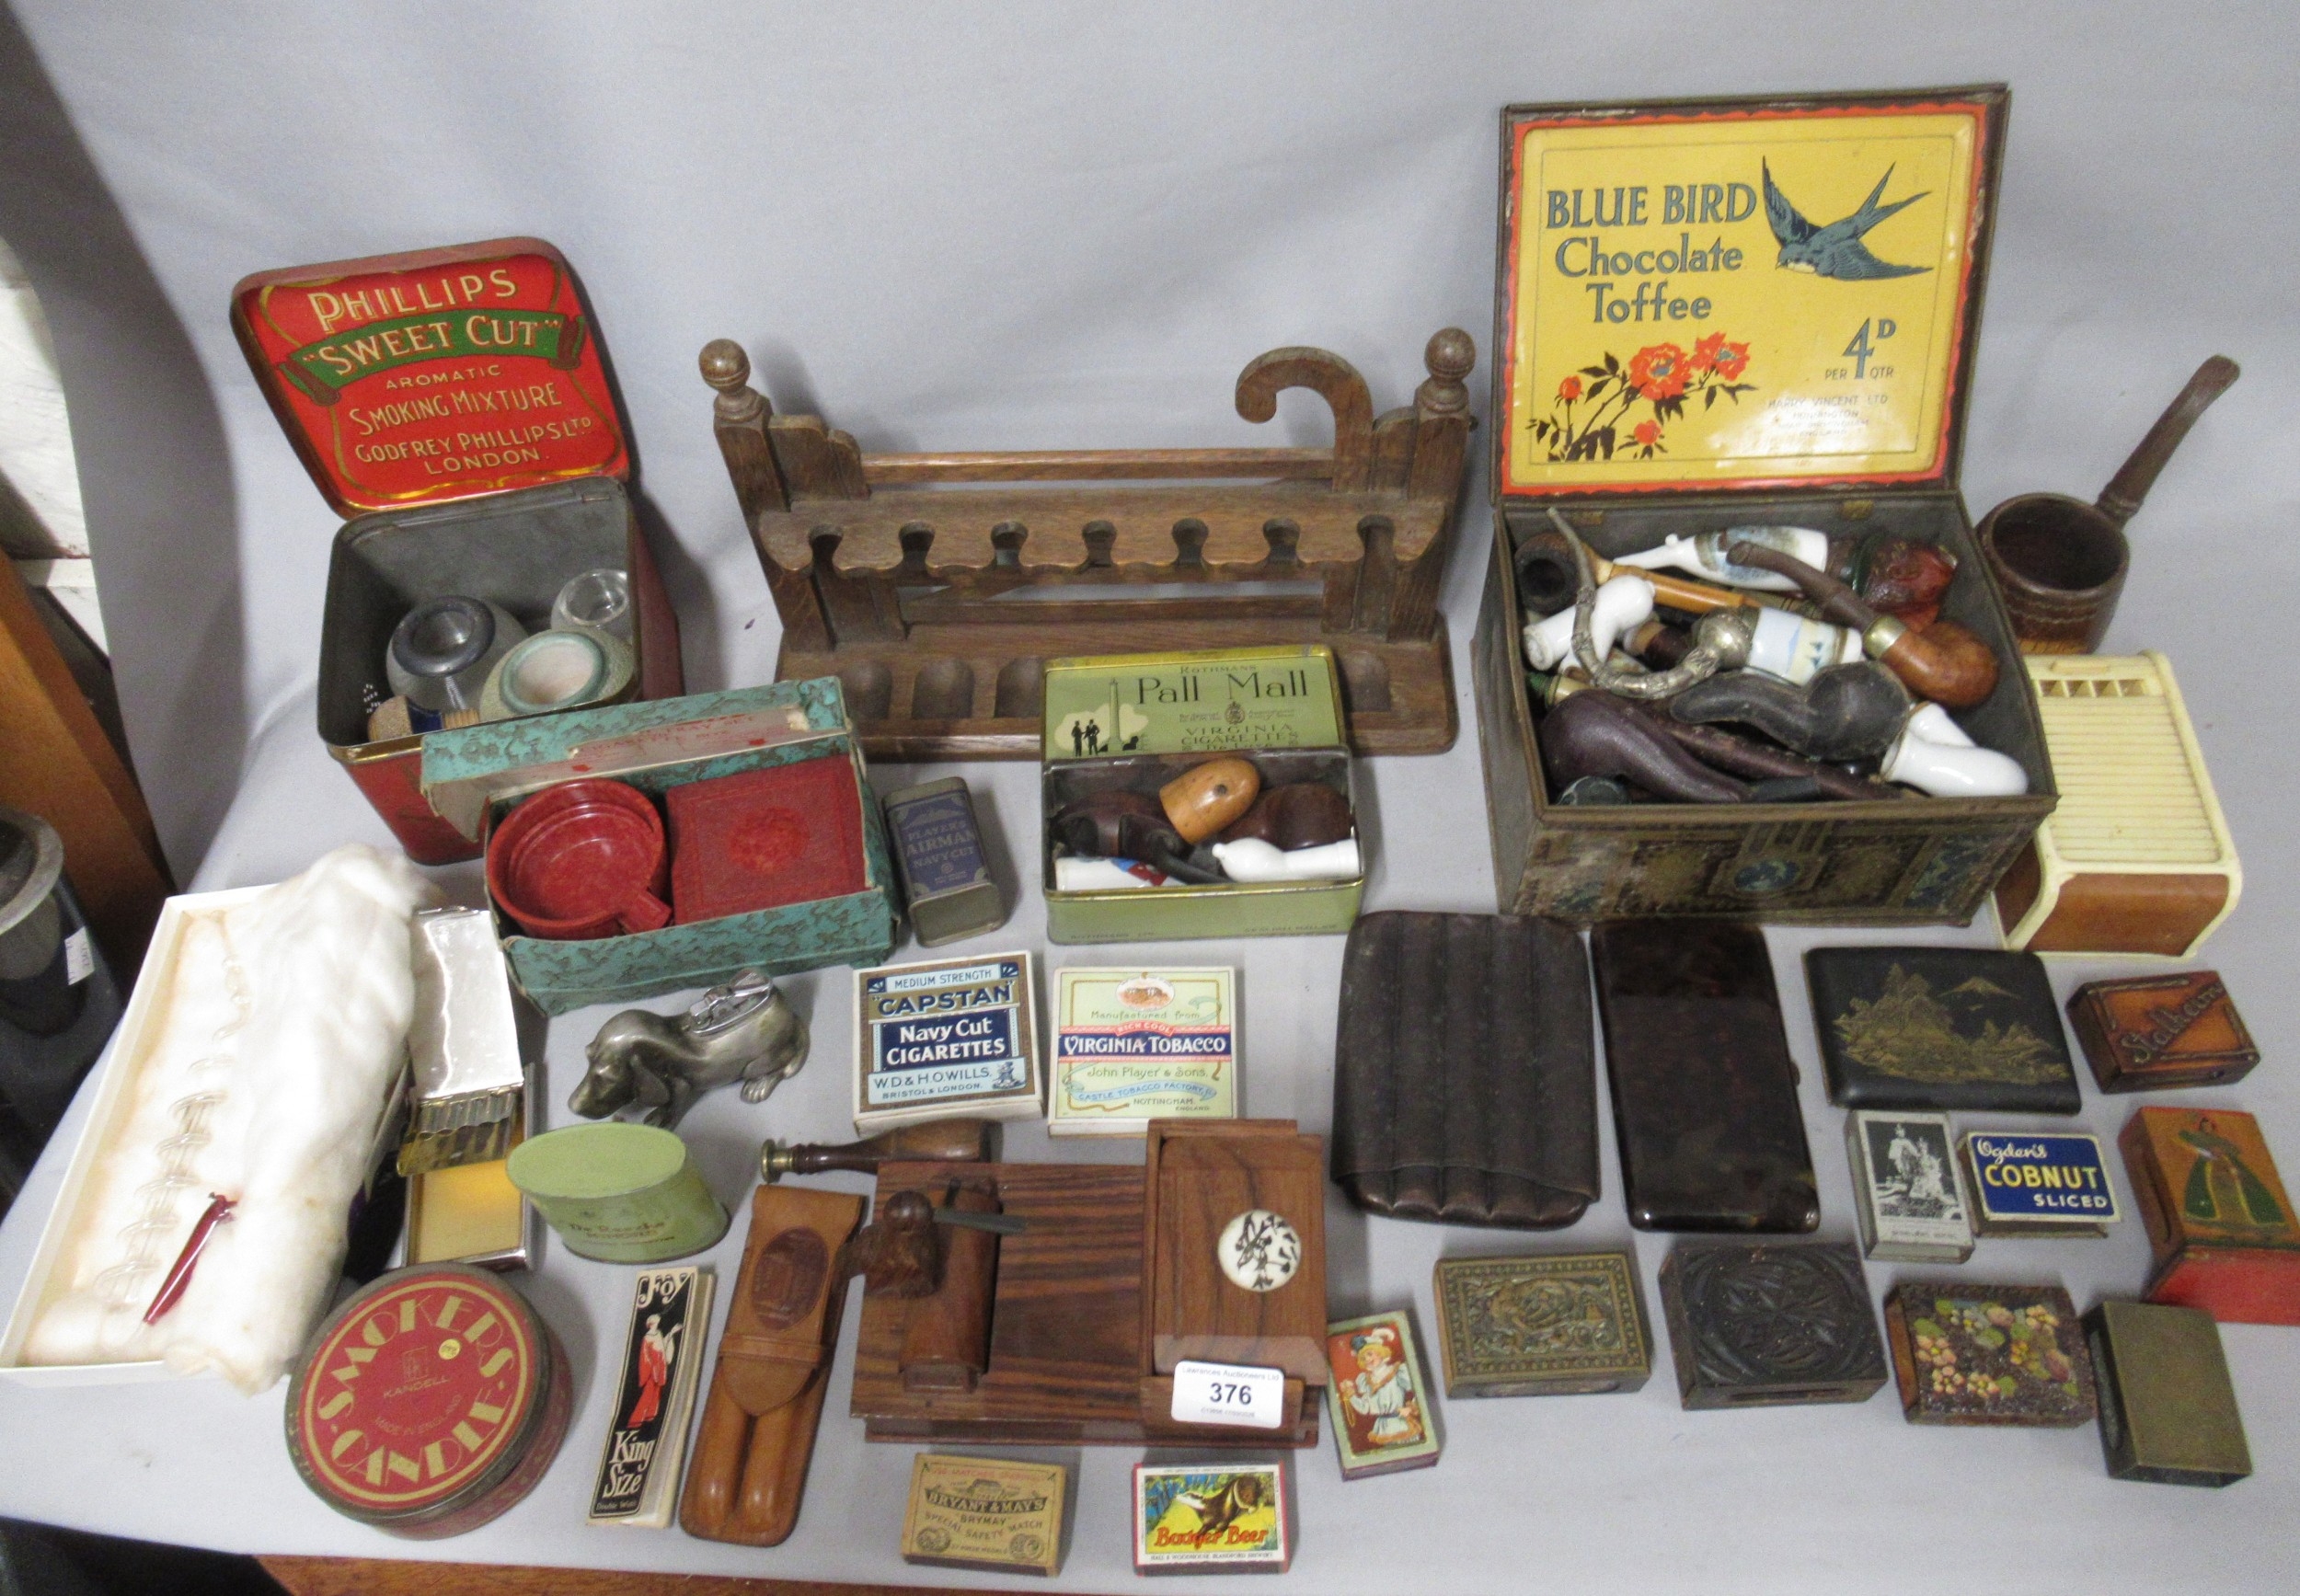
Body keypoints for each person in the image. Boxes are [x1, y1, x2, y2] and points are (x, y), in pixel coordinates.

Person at [1342, 1327, 1421, 1448]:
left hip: (1400, 1423)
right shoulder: (1366, 1381)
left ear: (1380, 1352)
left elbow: (1419, 1390)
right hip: (1383, 1427)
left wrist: (1410, 1408)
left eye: (1370, 1354)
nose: (1368, 1359)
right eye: (1363, 1358)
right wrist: (1351, 1395)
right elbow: (1365, 1408)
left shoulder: (1397, 1372)